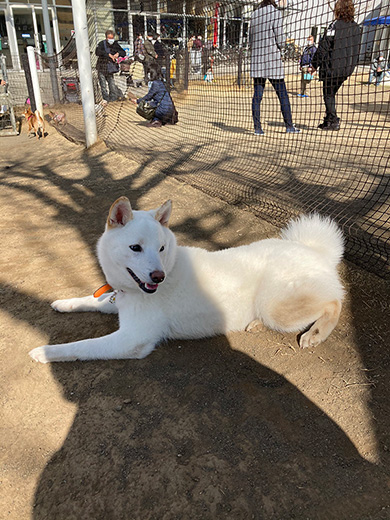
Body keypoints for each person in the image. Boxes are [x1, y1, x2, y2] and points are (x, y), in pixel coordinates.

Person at [249, 0, 300, 135]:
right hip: (272, 61)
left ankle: (257, 128)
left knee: (257, 96)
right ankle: (289, 126)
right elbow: (281, 41)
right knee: (283, 95)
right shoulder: (275, 13)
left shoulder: (254, 15)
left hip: (257, 61)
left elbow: (250, 40)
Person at [310, 0, 361, 131]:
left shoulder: (335, 26)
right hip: (346, 69)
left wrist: (314, 65)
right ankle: (329, 119)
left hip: (333, 68)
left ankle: (333, 121)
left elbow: (323, 47)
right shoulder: (356, 27)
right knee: (331, 93)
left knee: (328, 93)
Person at [131, 63, 175, 127]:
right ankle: (163, 119)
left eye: (149, 72)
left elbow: (148, 96)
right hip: (170, 110)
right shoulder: (163, 81)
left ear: (152, 72)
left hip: (163, 110)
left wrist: (137, 101)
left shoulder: (155, 83)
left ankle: (156, 120)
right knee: (154, 102)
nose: (148, 74)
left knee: (146, 105)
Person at [95, 30, 126, 102]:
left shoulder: (115, 44)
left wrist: (117, 54)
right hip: (102, 66)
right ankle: (105, 98)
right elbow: (97, 52)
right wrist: (108, 55)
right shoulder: (101, 44)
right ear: (106, 38)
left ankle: (113, 98)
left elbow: (123, 52)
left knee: (111, 83)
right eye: (109, 38)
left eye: (112, 38)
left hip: (110, 68)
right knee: (103, 84)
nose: (111, 40)